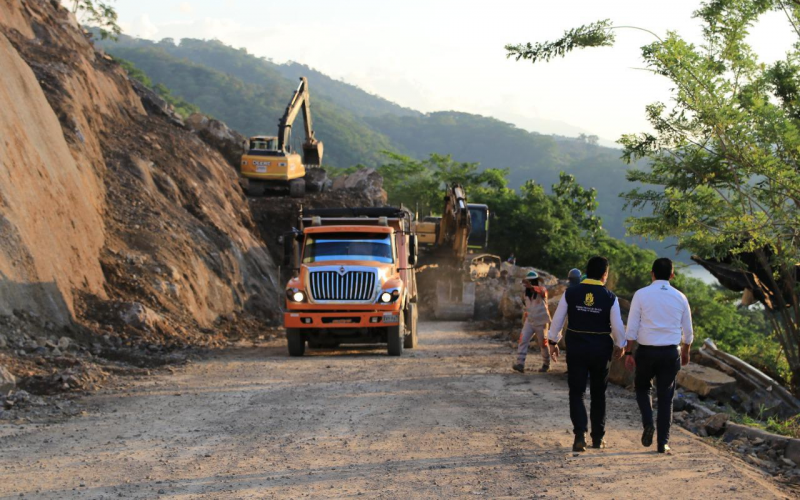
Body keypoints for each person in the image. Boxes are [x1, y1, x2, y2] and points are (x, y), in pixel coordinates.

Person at [547, 256, 626, 452]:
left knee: (577, 392)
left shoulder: (571, 293)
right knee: (599, 394)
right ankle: (598, 438)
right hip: (601, 350)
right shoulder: (610, 297)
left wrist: (552, 341)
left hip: (577, 348)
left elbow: (558, 320)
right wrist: (621, 344)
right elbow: (617, 326)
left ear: (586, 272)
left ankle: (579, 435)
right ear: (604, 275)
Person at [624, 258, 693, 454]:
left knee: (643, 388)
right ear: (672, 275)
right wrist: (686, 352)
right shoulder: (680, 297)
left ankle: (648, 422)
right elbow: (688, 331)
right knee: (666, 397)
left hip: (646, 351)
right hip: (671, 352)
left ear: (652, 273)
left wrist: (629, 352)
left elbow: (632, 327)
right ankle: (663, 443)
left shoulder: (641, 294)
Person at [512, 271, 552, 373]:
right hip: (530, 321)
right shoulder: (525, 294)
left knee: (543, 343)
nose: (527, 284)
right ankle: (520, 364)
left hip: (541, 321)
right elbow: (527, 307)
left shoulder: (542, 290)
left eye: (530, 282)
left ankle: (546, 364)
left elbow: (541, 291)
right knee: (523, 340)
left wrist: (531, 286)